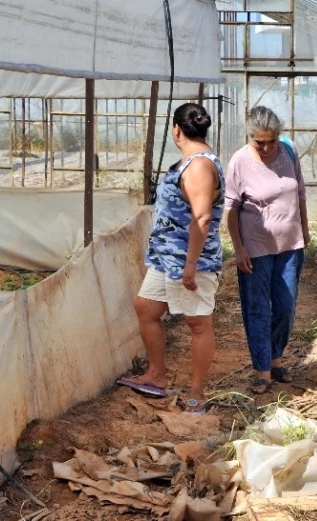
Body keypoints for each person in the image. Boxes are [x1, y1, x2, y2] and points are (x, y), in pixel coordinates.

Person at [118, 103, 225, 415]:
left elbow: (202, 218)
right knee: (146, 307)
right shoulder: (189, 162)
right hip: (167, 257)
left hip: (189, 262)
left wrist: (191, 264)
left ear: (176, 129)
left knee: (197, 322)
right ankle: (156, 375)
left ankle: (197, 393)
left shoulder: (201, 166)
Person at [225, 106, 310, 395]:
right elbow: (231, 208)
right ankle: (262, 369)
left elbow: (299, 193)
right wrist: (239, 249)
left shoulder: (289, 150)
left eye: (270, 141)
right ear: (250, 137)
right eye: (258, 142)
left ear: (279, 136)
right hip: (256, 247)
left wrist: (305, 230)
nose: (265, 147)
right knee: (258, 307)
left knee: (285, 307)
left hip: (290, 244)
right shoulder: (239, 161)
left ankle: (276, 358)